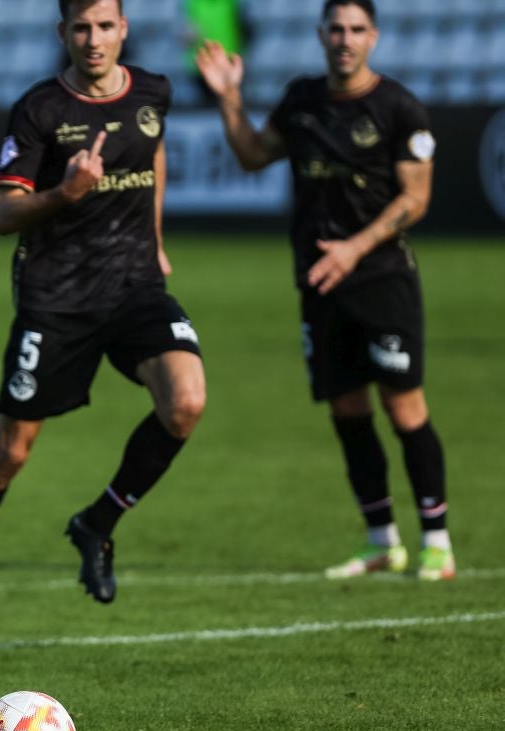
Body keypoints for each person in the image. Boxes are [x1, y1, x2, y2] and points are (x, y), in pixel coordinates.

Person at [0, 0, 206, 634]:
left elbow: (153, 155)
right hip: (55, 296)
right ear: (63, 33)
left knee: (186, 402)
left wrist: (157, 237)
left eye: (105, 26)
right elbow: (3, 215)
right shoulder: (40, 110)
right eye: (80, 28)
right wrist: (66, 193)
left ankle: (97, 525)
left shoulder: (153, 92)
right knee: (10, 453)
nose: (93, 39)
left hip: (135, 286)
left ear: (123, 30)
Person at [196, 0, 454, 581]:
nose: (345, 39)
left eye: (356, 29)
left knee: (404, 406)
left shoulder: (398, 108)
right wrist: (229, 98)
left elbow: (416, 198)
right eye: (336, 29)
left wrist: (353, 249)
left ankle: (437, 539)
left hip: (382, 280)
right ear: (321, 35)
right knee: (347, 408)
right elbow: (253, 155)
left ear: (374, 37)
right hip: (318, 283)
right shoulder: (304, 99)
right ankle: (381, 539)